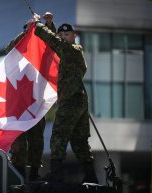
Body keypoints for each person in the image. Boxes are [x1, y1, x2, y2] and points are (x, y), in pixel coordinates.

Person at [31, 12, 98, 184]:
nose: (63, 37)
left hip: (70, 101)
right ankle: (90, 175)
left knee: (58, 136)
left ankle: (56, 174)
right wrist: (50, 24)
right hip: (78, 100)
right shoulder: (67, 51)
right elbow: (55, 43)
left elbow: (55, 42)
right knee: (79, 140)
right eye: (61, 34)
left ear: (74, 36)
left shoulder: (73, 50)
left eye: (66, 34)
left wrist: (38, 25)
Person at [5, 14, 56, 181]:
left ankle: (33, 173)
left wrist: (48, 24)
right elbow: (9, 49)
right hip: (19, 105)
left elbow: (53, 46)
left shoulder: (41, 53)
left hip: (35, 103)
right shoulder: (17, 51)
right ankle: (19, 173)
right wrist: (27, 31)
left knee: (36, 141)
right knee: (19, 142)